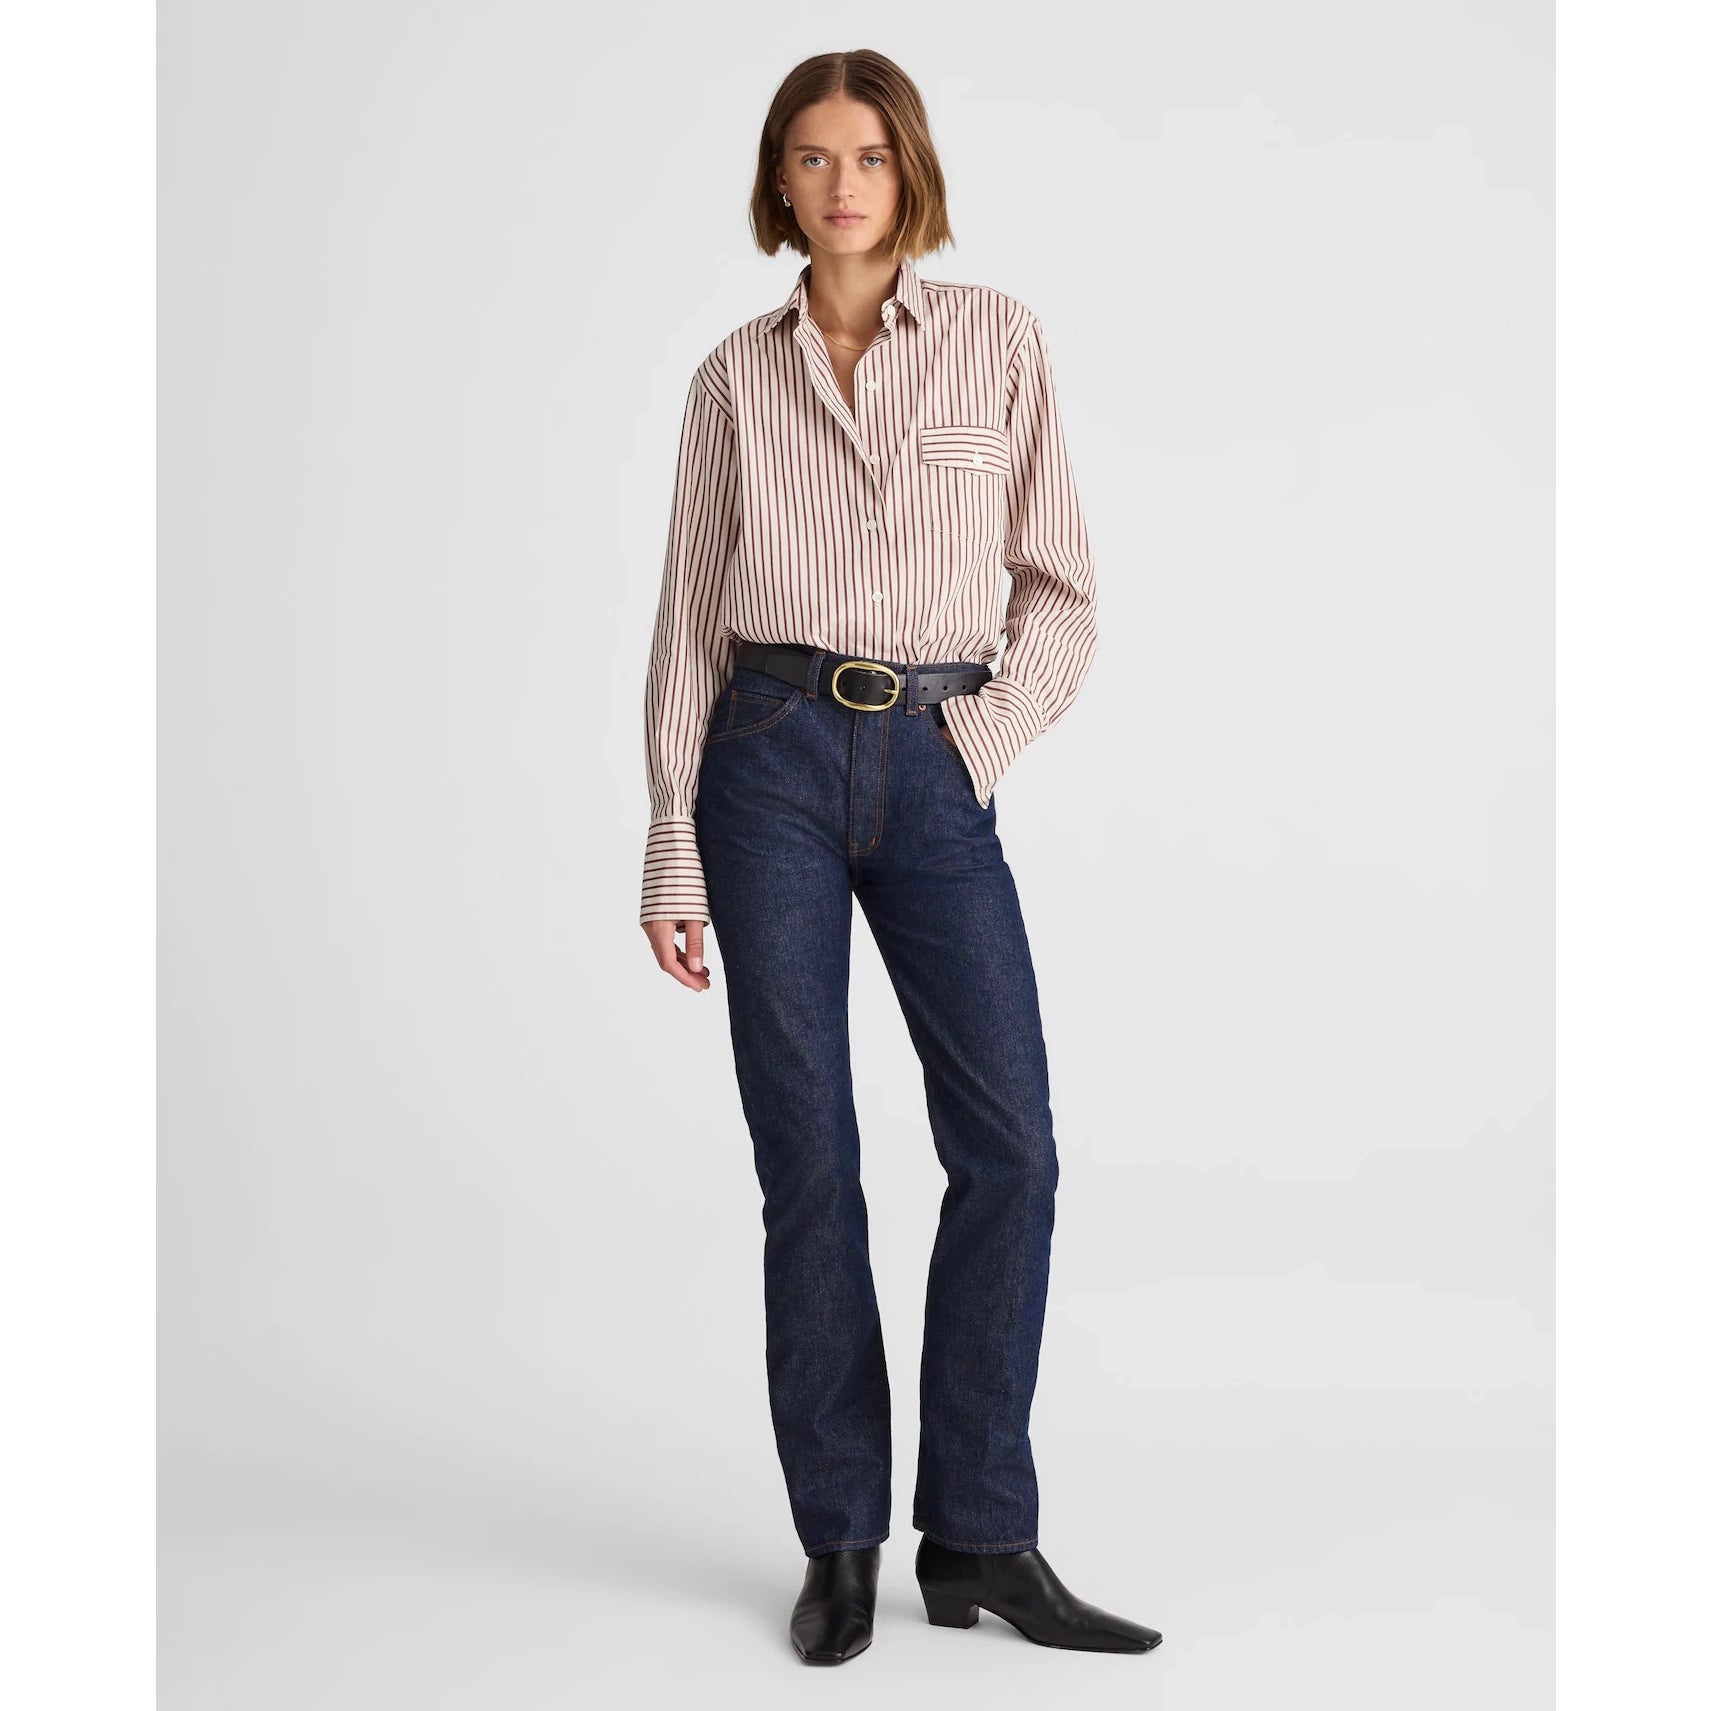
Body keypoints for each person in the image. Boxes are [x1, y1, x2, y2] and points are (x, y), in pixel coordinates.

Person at [638, 49, 1162, 1666]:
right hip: (767, 763)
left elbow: (1061, 590)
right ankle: (842, 1540)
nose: (842, 182)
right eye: (811, 157)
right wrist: (669, 843)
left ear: (908, 170)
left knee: (1013, 1149)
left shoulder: (1000, 340)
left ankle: (982, 1533)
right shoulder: (733, 381)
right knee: (810, 1162)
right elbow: (685, 623)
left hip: (936, 761)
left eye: (867, 154)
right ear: (778, 183)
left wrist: (978, 745)